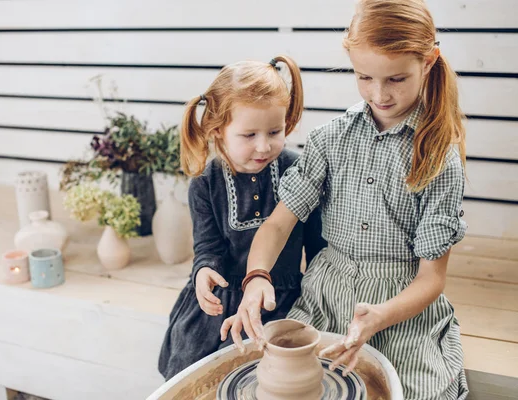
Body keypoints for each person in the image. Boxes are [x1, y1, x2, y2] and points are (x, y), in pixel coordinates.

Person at [220, 1, 469, 398]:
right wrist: (256, 278)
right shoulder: (331, 139)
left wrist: (379, 317)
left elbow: (431, 279)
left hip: (400, 307)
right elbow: (278, 224)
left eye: (396, 79)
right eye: (364, 76)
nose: (379, 93)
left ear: (429, 61)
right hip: (325, 294)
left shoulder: (439, 158)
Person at [158, 55, 327, 380]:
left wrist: (319, 295)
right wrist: (204, 271)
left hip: (282, 297)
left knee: (272, 375)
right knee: (197, 372)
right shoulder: (206, 182)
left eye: (275, 131)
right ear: (218, 130)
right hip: (224, 301)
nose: (264, 146)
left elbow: (317, 246)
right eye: (249, 135)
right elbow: (208, 247)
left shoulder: (297, 169)